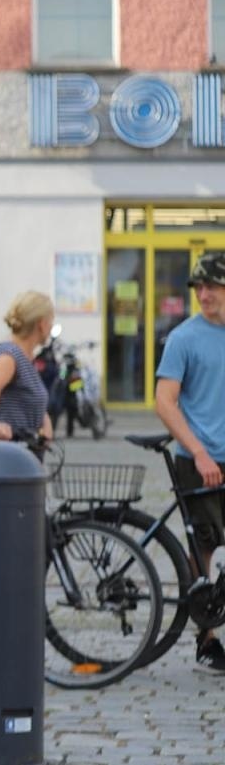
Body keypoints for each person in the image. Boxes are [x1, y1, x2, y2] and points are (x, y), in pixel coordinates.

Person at [154, 252, 225, 673]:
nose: (204, 294)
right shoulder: (184, 338)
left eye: (212, 286)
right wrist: (199, 452)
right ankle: (207, 638)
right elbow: (165, 402)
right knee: (205, 546)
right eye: (199, 287)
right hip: (198, 459)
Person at [0, 291, 54, 444]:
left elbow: (29, 399)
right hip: (6, 456)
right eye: (51, 321)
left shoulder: (26, 358)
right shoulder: (10, 356)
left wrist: (45, 423)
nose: (52, 327)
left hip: (23, 457)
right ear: (41, 324)